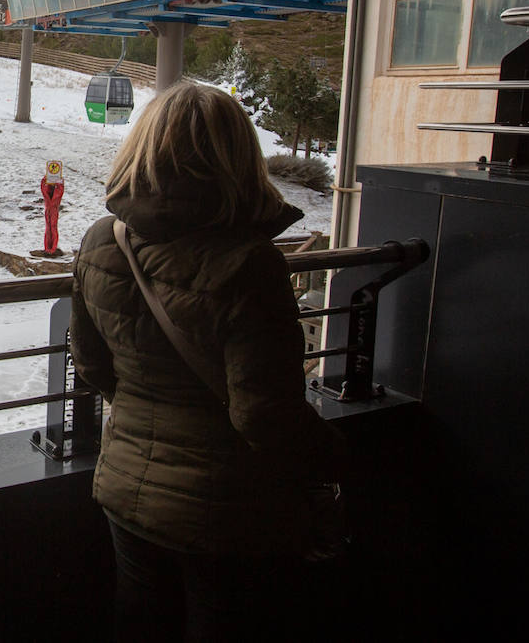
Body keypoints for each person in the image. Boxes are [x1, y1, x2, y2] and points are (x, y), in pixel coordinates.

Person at [69, 82, 346, 641]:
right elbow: (264, 416)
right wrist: (334, 456)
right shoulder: (250, 265)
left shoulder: (103, 240)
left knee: (141, 620)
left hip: (126, 488)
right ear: (237, 157)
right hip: (226, 510)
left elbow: (93, 366)